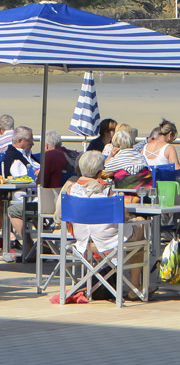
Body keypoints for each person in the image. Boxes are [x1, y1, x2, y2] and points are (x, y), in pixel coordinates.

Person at [54, 151, 147, 297]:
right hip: (108, 240)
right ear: (99, 172)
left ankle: (115, 284)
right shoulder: (106, 190)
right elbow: (125, 215)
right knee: (141, 225)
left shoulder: (71, 189)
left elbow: (61, 215)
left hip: (82, 239)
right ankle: (135, 287)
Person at [3, 127, 39, 257]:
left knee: (15, 210)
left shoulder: (27, 155)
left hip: (36, 196)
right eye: (30, 140)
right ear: (20, 140)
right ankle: (30, 246)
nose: (33, 143)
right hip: (26, 197)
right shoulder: (14, 157)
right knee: (13, 210)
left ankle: (39, 246)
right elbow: (23, 179)